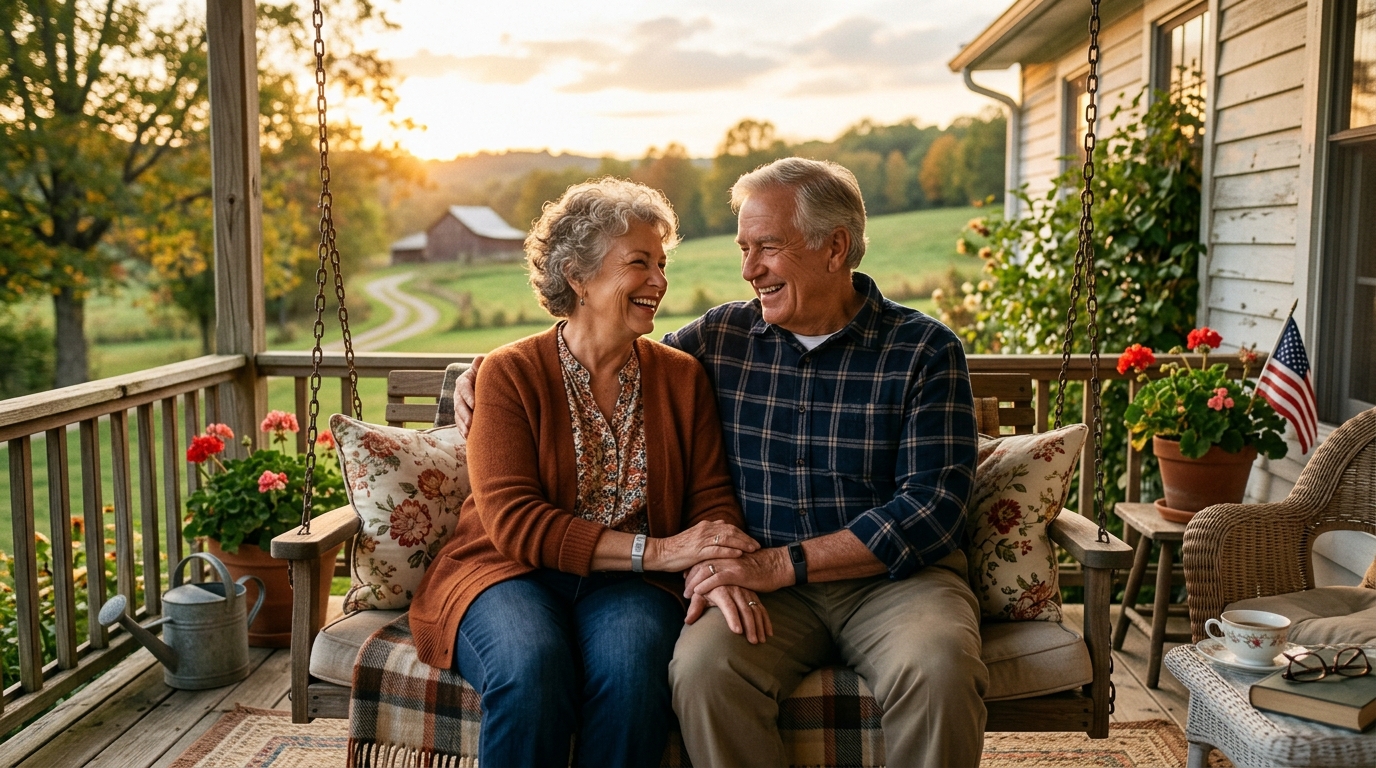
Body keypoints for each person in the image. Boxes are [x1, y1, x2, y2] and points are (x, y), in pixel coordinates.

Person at [456, 159, 986, 767]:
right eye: (743, 247)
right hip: (759, 581)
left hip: (892, 582)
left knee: (939, 666)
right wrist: (475, 375)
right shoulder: (722, 338)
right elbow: (598, 348)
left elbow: (933, 510)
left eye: (767, 247)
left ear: (835, 247)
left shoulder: (923, 350)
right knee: (703, 670)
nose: (748, 268)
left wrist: (769, 564)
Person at [409, 177, 768, 768]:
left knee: (632, 673)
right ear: (577, 276)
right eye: (638, 263)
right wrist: (662, 551)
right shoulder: (507, 374)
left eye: (660, 262)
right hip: (508, 572)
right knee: (530, 669)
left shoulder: (680, 377)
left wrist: (711, 562)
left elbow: (711, 499)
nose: (659, 281)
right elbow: (514, 524)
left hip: (626, 589)